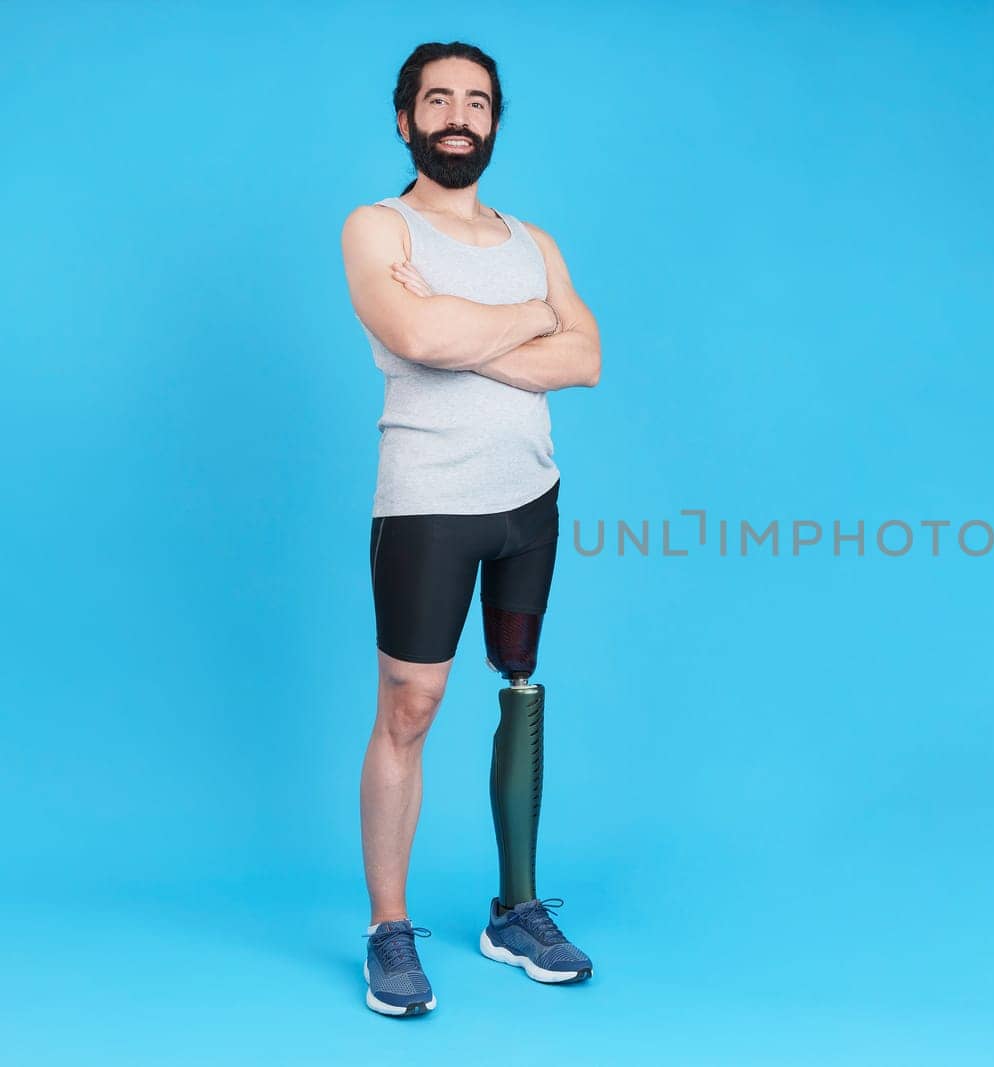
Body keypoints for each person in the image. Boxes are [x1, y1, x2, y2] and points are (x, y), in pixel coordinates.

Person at [339, 40, 602, 1016]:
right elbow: (414, 338)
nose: (459, 115)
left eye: (477, 101)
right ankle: (388, 926)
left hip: (529, 500)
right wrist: (530, 322)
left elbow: (588, 359)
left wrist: (475, 326)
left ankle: (514, 908)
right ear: (405, 120)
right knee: (408, 706)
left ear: (494, 120)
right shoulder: (379, 228)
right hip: (427, 502)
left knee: (523, 689)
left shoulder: (536, 244)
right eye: (438, 99)